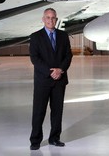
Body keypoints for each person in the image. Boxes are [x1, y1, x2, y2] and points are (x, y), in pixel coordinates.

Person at [29, 8, 73, 150]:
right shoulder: (35, 36)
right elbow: (35, 58)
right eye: (48, 17)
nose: (50, 20)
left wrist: (60, 70)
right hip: (43, 80)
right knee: (39, 111)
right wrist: (51, 72)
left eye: (53, 18)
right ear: (43, 19)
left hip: (59, 80)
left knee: (57, 111)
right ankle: (35, 141)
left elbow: (68, 55)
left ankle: (54, 138)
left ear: (56, 19)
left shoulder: (63, 35)